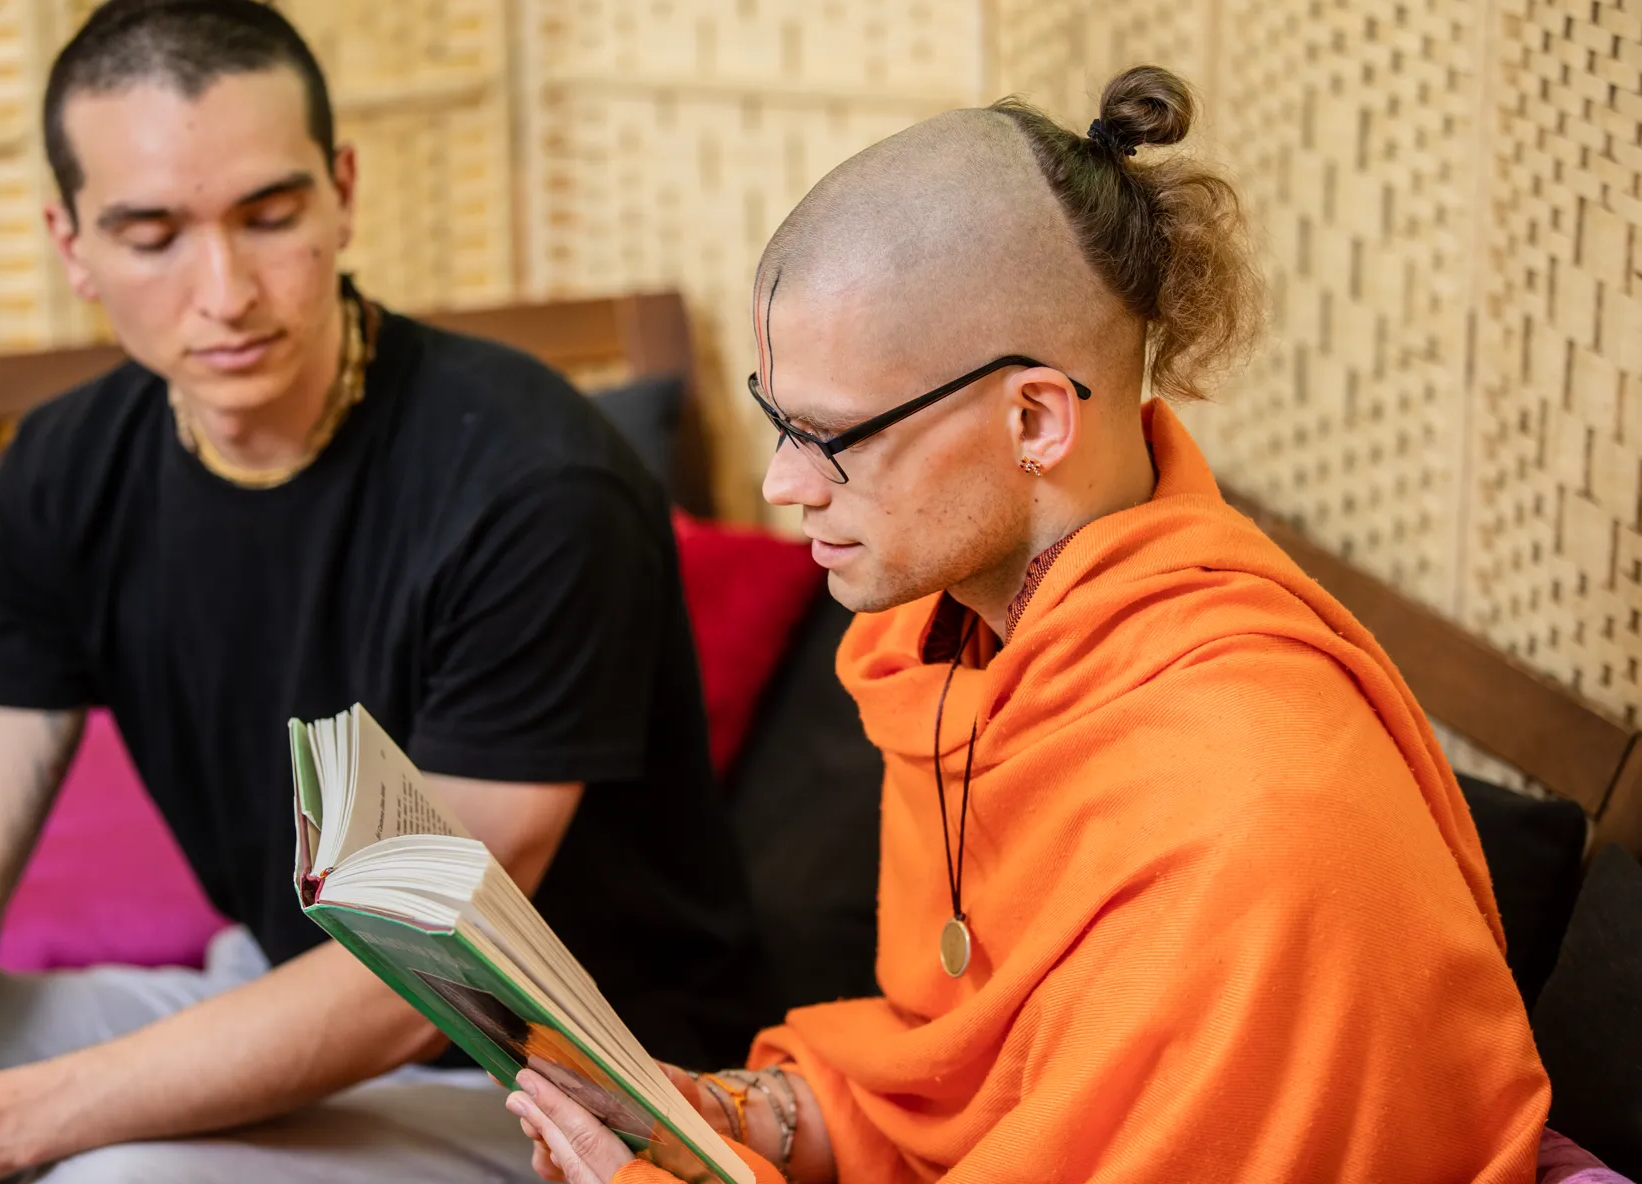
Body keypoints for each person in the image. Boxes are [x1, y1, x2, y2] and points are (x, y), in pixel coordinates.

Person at [0, 0, 770, 1184]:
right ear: (72, 245)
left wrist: (0, 1120)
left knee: (125, 1180)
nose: (223, 293)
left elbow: (427, 982)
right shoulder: (65, 470)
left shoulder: (533, 484)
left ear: (345, 193)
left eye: (269, 214)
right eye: (152, 234)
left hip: (563, 1078)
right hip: (274, 983)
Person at [507, 65, 1551, 1183]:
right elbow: (954, 1097)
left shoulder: (1250, 816)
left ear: (1037, 418)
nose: (779, 483)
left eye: (827, 434)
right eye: (776, 419)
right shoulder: (958, 651)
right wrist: (721, 1112)